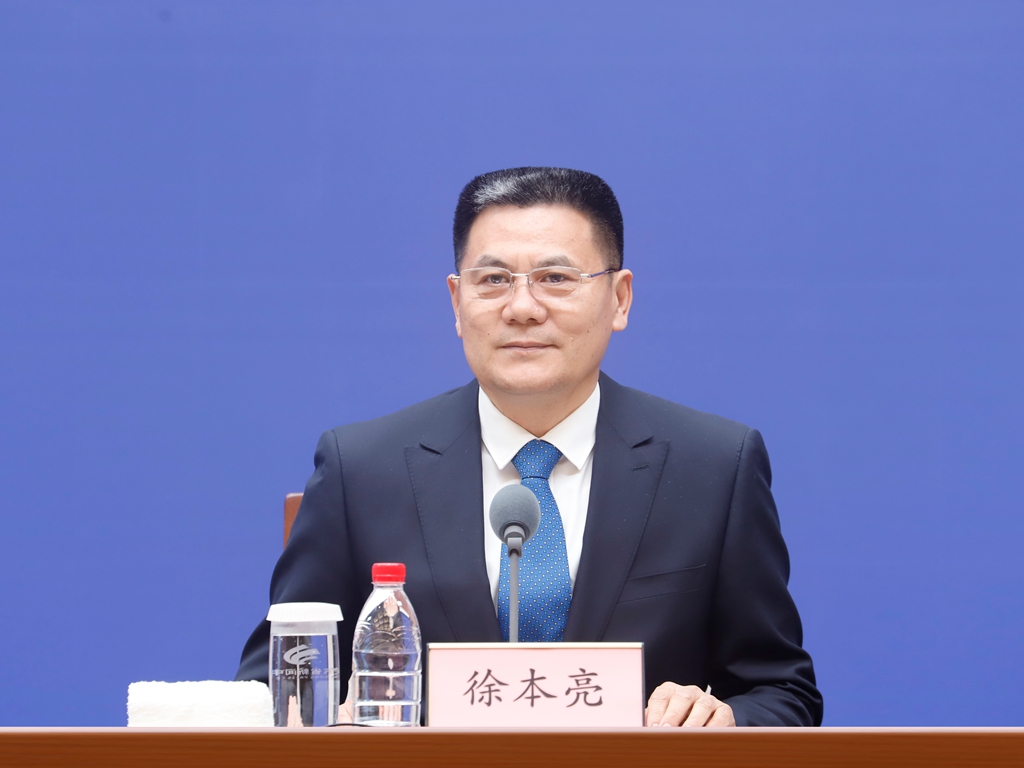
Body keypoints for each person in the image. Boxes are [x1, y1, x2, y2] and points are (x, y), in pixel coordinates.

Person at [236, 167, 822, 727]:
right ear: (456, 302)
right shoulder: (362, 469)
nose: (521, 308)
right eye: (493, 280)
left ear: (619, 298)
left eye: (556, 278)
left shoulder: (713, 466)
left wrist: (723, 719)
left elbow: (780, 690)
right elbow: (273, 689)